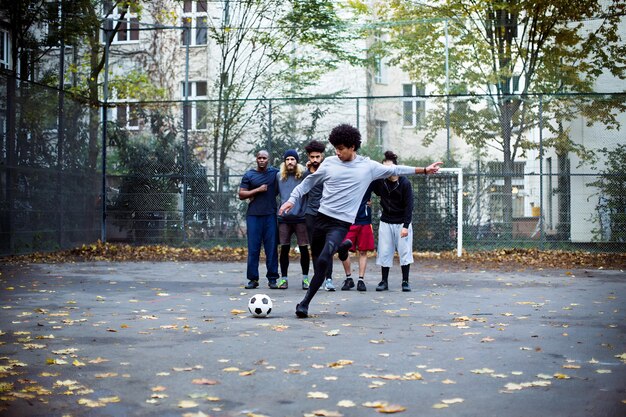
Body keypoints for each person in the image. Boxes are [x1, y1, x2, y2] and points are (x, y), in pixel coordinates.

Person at [279, 124, 443, 318]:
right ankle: (343, 247)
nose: (337, 152)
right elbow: (308, 182)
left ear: (352, 147)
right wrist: (292, 199)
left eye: (341, 148)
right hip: (321, 218)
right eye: (335, 148)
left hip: (341, 223)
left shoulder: (368, 166)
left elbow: (395, 168)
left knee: (323, 260)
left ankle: (304, 303)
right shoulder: (330, 163)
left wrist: (424, 170)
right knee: (318, 256)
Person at [371, 151, 415, 292]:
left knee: (404, 252)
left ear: (396, 168)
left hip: (402, 222)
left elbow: (409, 206)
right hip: (386, 221)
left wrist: (406, 226)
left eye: (389, 168)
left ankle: (405, 281)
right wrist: (367, 199)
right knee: (384, 251)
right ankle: (384, 281)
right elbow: (369, 187)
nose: (386, 171)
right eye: (384, 168)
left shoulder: (405, 183)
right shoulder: (380, 182)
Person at [238, 150, 280, 290]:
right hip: (254, 216)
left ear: (269, 159)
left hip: (270, 215)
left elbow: (290, 172)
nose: (262, 160)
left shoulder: (275, 173)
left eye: (264, 158)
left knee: (271, 248)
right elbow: (241, 194)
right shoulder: (249, 175)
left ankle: (273, 279)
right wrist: (257, 190)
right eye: (259, 158)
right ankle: (253, 279)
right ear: (256, 159)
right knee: (253, 249)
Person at [303, 140, 336, 291]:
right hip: (311, 214)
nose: (315, 160)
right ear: (308, 157)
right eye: (312, 157)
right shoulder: (305, 174)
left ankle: (328, 279)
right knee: (315, 249)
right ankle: (318, 278)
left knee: (327, 247)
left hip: (327, 213)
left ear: (322, 156)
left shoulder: (329, 169)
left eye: (317, 157)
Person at [276, 149, 310, 290]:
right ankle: (283, 279)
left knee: (303, 249)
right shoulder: (279, 176)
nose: (290, 162)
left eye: (293, 159)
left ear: (297, 161)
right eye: (288, 159)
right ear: (284, 161)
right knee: (284, 249)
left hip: (301, 218)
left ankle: (305, 279)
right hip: (284, 219)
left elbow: (315, 173)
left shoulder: (304, 175)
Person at [340, 186, 374, 292]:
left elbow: (383, 188)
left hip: (364, 221)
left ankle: (361, 280)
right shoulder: (346, 178)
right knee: (343, 249)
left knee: (363, 251)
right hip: (348, 219)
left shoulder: (369, 179)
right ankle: (349, 278)